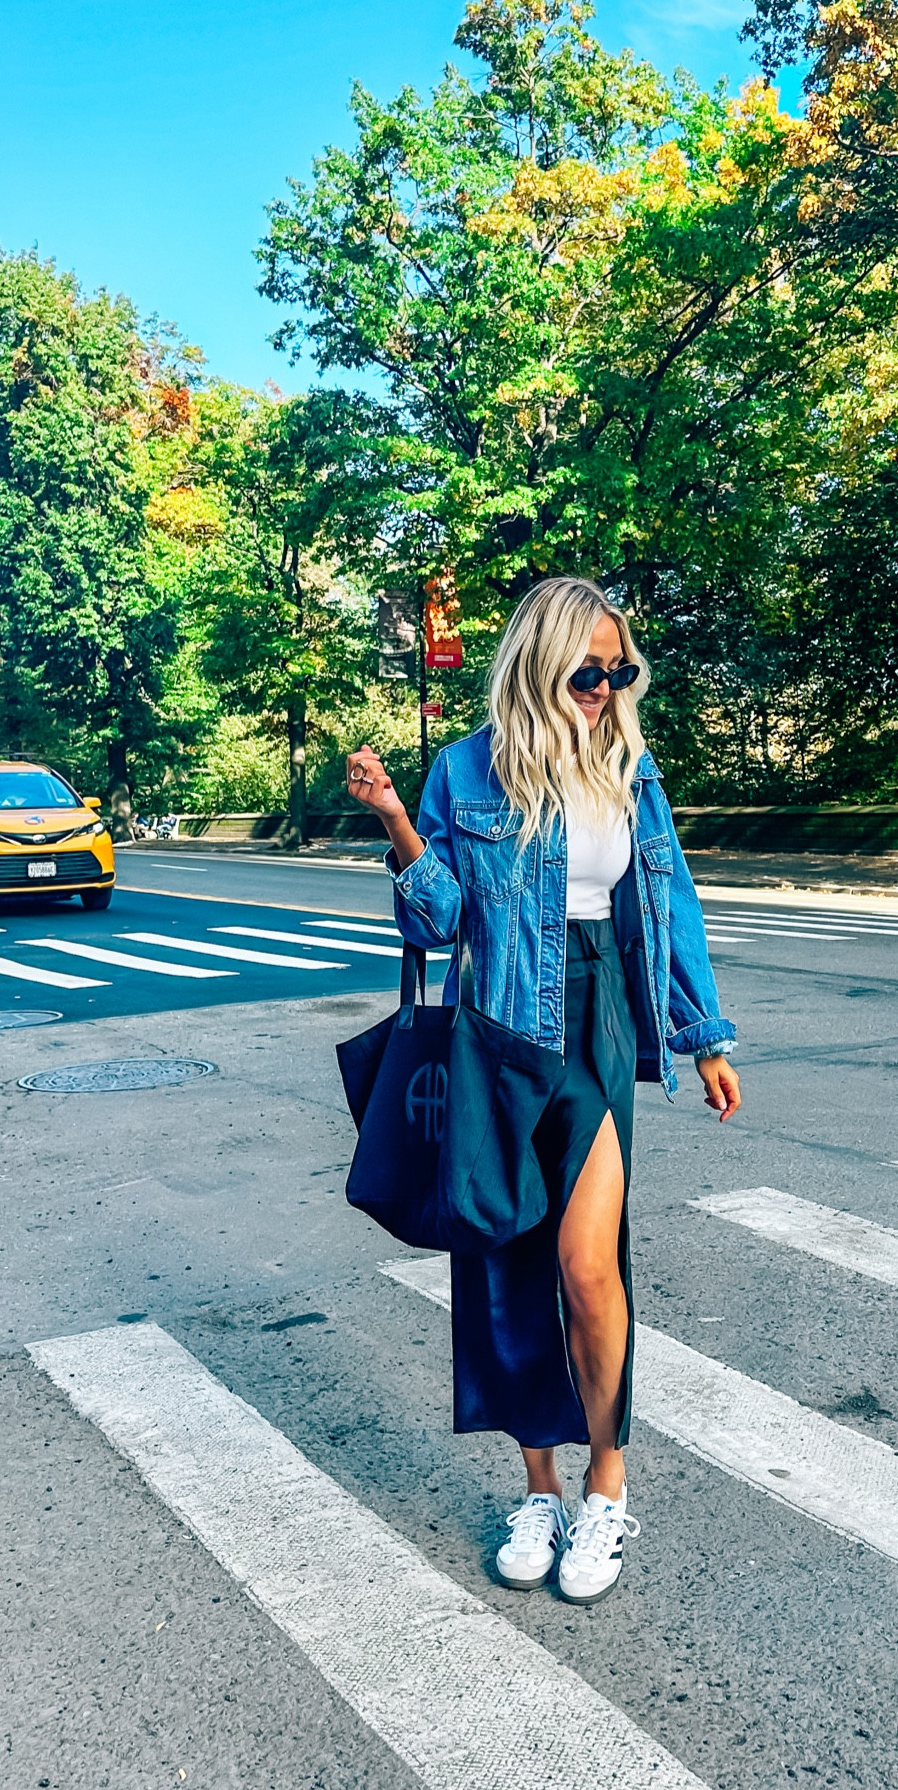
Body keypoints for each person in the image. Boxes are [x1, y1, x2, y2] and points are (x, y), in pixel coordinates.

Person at [345, 576, 740, 1606]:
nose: (605, 687)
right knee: (507, 1263)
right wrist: (395, 816)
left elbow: (671, 901)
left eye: (619, 670)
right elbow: (433, 923)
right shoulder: (465, 770)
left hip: (600, 1018)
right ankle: (541, 1486)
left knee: (587, 1266)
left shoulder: (629, 766)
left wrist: (703, 1037)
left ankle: (607, 1481)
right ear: (538, 662)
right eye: (586, 670)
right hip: (501, 1031)